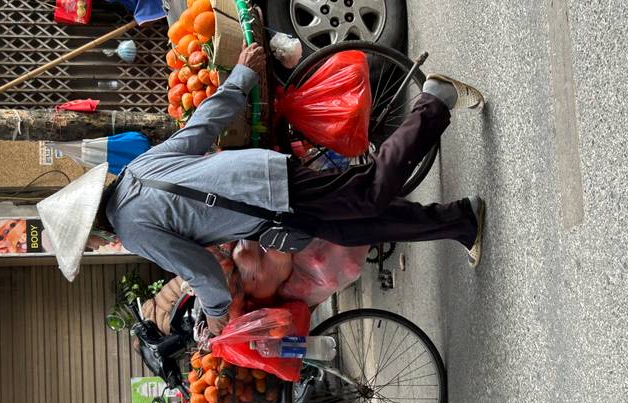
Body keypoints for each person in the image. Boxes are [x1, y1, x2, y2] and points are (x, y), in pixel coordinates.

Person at [98, 43, 485, 336]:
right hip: (258, 179)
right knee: (355, 227)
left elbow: (202, 272)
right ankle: (459, 221)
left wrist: (217, 315)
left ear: (98, 231)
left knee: (369, 194)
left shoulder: (133, 230)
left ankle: (435, 100)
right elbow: (199, 130)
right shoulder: (135, 171)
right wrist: (239, 79)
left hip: (266, 199)